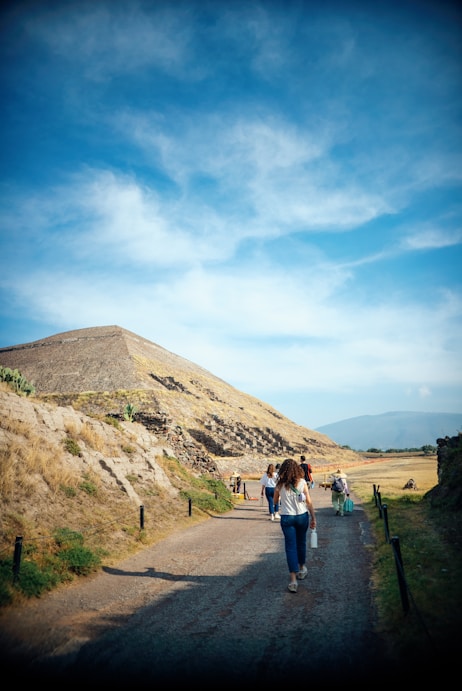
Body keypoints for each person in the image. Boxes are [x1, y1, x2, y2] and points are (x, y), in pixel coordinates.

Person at [274, 458, 316, 593]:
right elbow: (308, 501)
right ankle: (302, 568)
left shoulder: (280, 484)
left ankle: (293, 580)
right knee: (301, 542)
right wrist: (313, 517)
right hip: (302, 515)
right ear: (297, 469)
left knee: (290, 547)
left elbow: (275, 501)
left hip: (287, 517)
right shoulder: (302, 482)